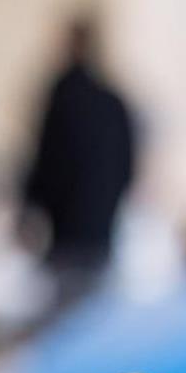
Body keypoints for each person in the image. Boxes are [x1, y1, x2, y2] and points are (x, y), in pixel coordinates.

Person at [22, 16, 136, 273]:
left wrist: (33, 205)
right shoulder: (110, 101)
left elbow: (46, 160)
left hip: (70, 227)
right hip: (95, 226)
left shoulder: (65, 99)